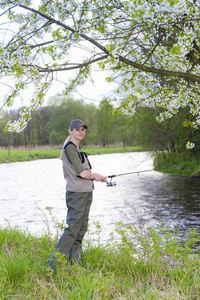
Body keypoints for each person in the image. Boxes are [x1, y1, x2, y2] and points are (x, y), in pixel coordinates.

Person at [47, 119, 107, 269]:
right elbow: (82, 173)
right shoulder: (70, 148)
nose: (81, 131)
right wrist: (96, 175)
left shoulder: (78, 149)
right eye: (77, 129)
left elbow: (85, 173)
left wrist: (96, 177)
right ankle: (52, 266)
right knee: (72, 230)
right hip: (77, 194)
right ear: (70, 131)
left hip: (86, 192)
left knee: (81, 229)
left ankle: (75, 266)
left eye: (83, 129)